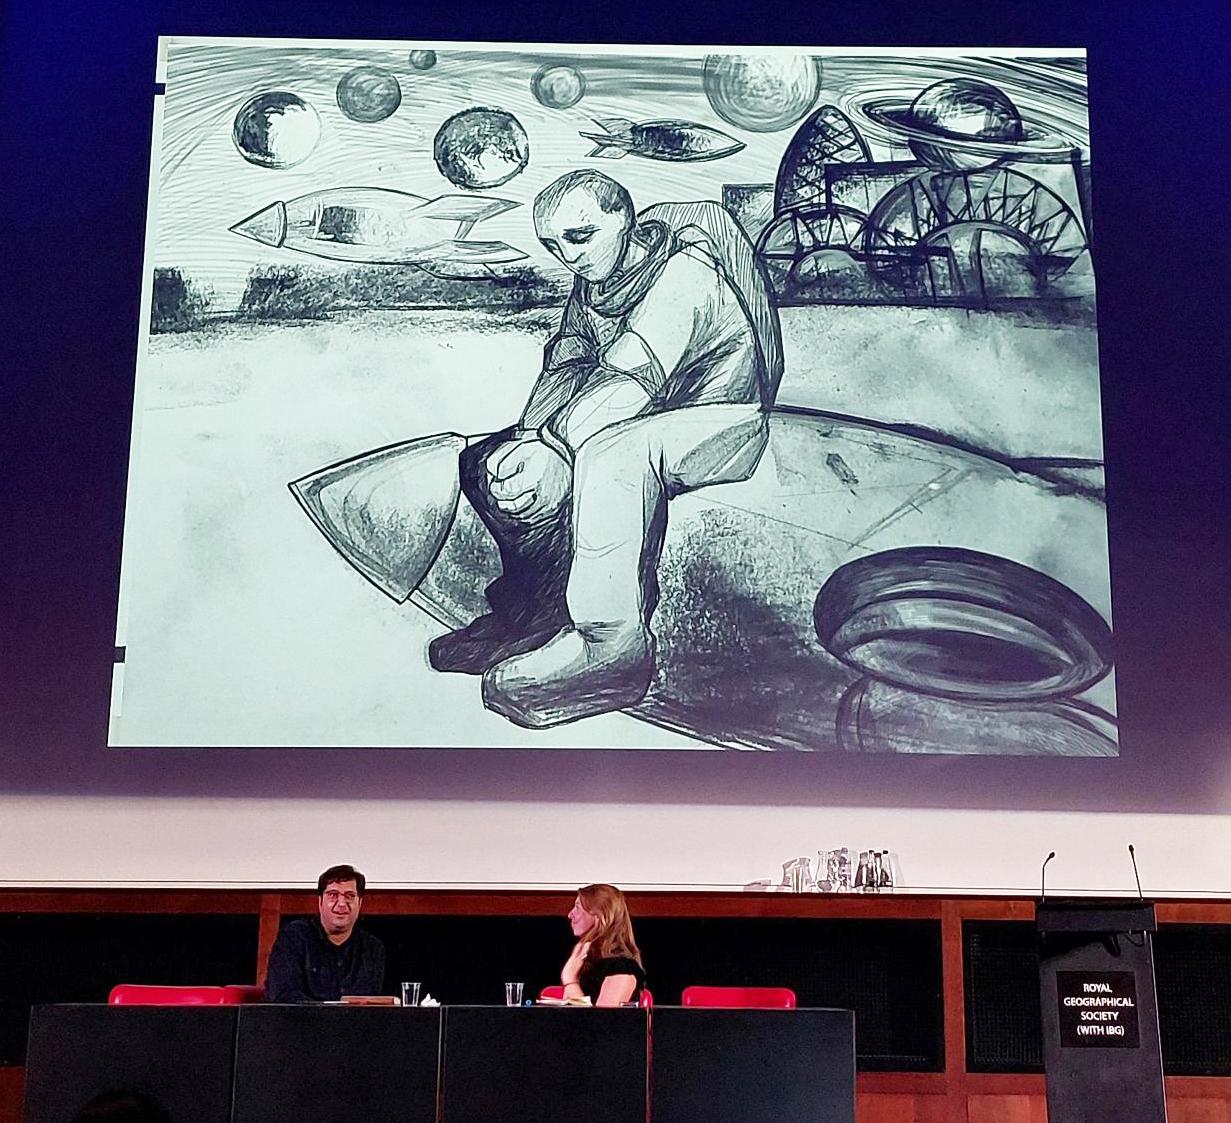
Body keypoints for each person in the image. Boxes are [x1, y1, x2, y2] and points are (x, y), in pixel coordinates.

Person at [428, 169, 783, 728]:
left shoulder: (684, 273)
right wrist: (528, 437)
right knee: (487, 463)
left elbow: (630, 376)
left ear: (625, 220)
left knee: (613, 454)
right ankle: (525, 617)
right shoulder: (593, 285)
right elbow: (565, 367)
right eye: (553, 244)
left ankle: (612, 650)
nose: (568, 256)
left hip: (720, 420)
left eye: (579, 236)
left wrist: (556, 446)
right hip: (651, 416)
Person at [264, 864, 386, 1002]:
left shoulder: (372, 948)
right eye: (333, 895)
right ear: (320, 901)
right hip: (302, 1022)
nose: (341, 903)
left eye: (349, 896)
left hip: (354, 1023)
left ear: (360, 903)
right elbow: (283, 996)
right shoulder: (294, 938)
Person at [560, 883, 645, 1006]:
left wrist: (570, 981)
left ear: (600, 915)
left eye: (577, 908)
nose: (570, 915)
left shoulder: (622, 967)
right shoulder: (588, 962)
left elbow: (601, 1022)